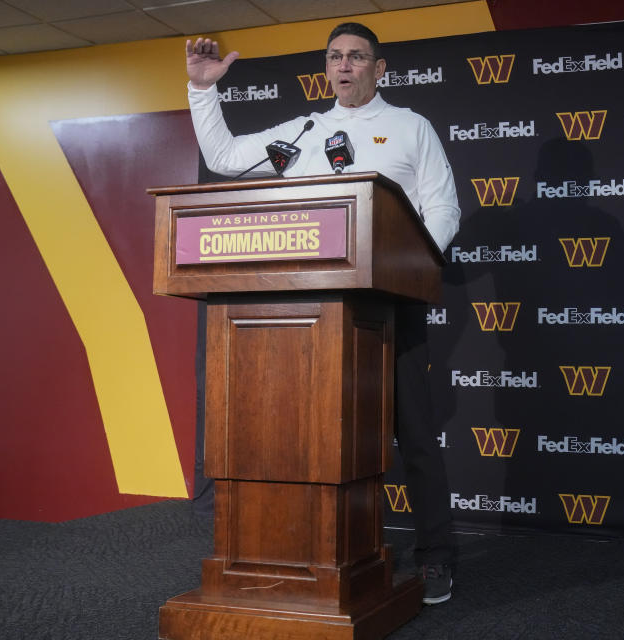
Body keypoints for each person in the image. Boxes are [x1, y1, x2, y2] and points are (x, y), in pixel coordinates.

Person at [185, 22, 459, 605]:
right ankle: (325, 554)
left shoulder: (411, 127)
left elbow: (442, 208)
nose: (344, 65)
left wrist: (407, 272)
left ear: (379, 69)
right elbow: (225, 159)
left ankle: (436, 557)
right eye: (335, 57)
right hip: (310, 315)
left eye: (357, 57)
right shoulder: (306, 130)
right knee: (317, 438)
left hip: (390, 307)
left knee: (413, 436)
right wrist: (204, 89)